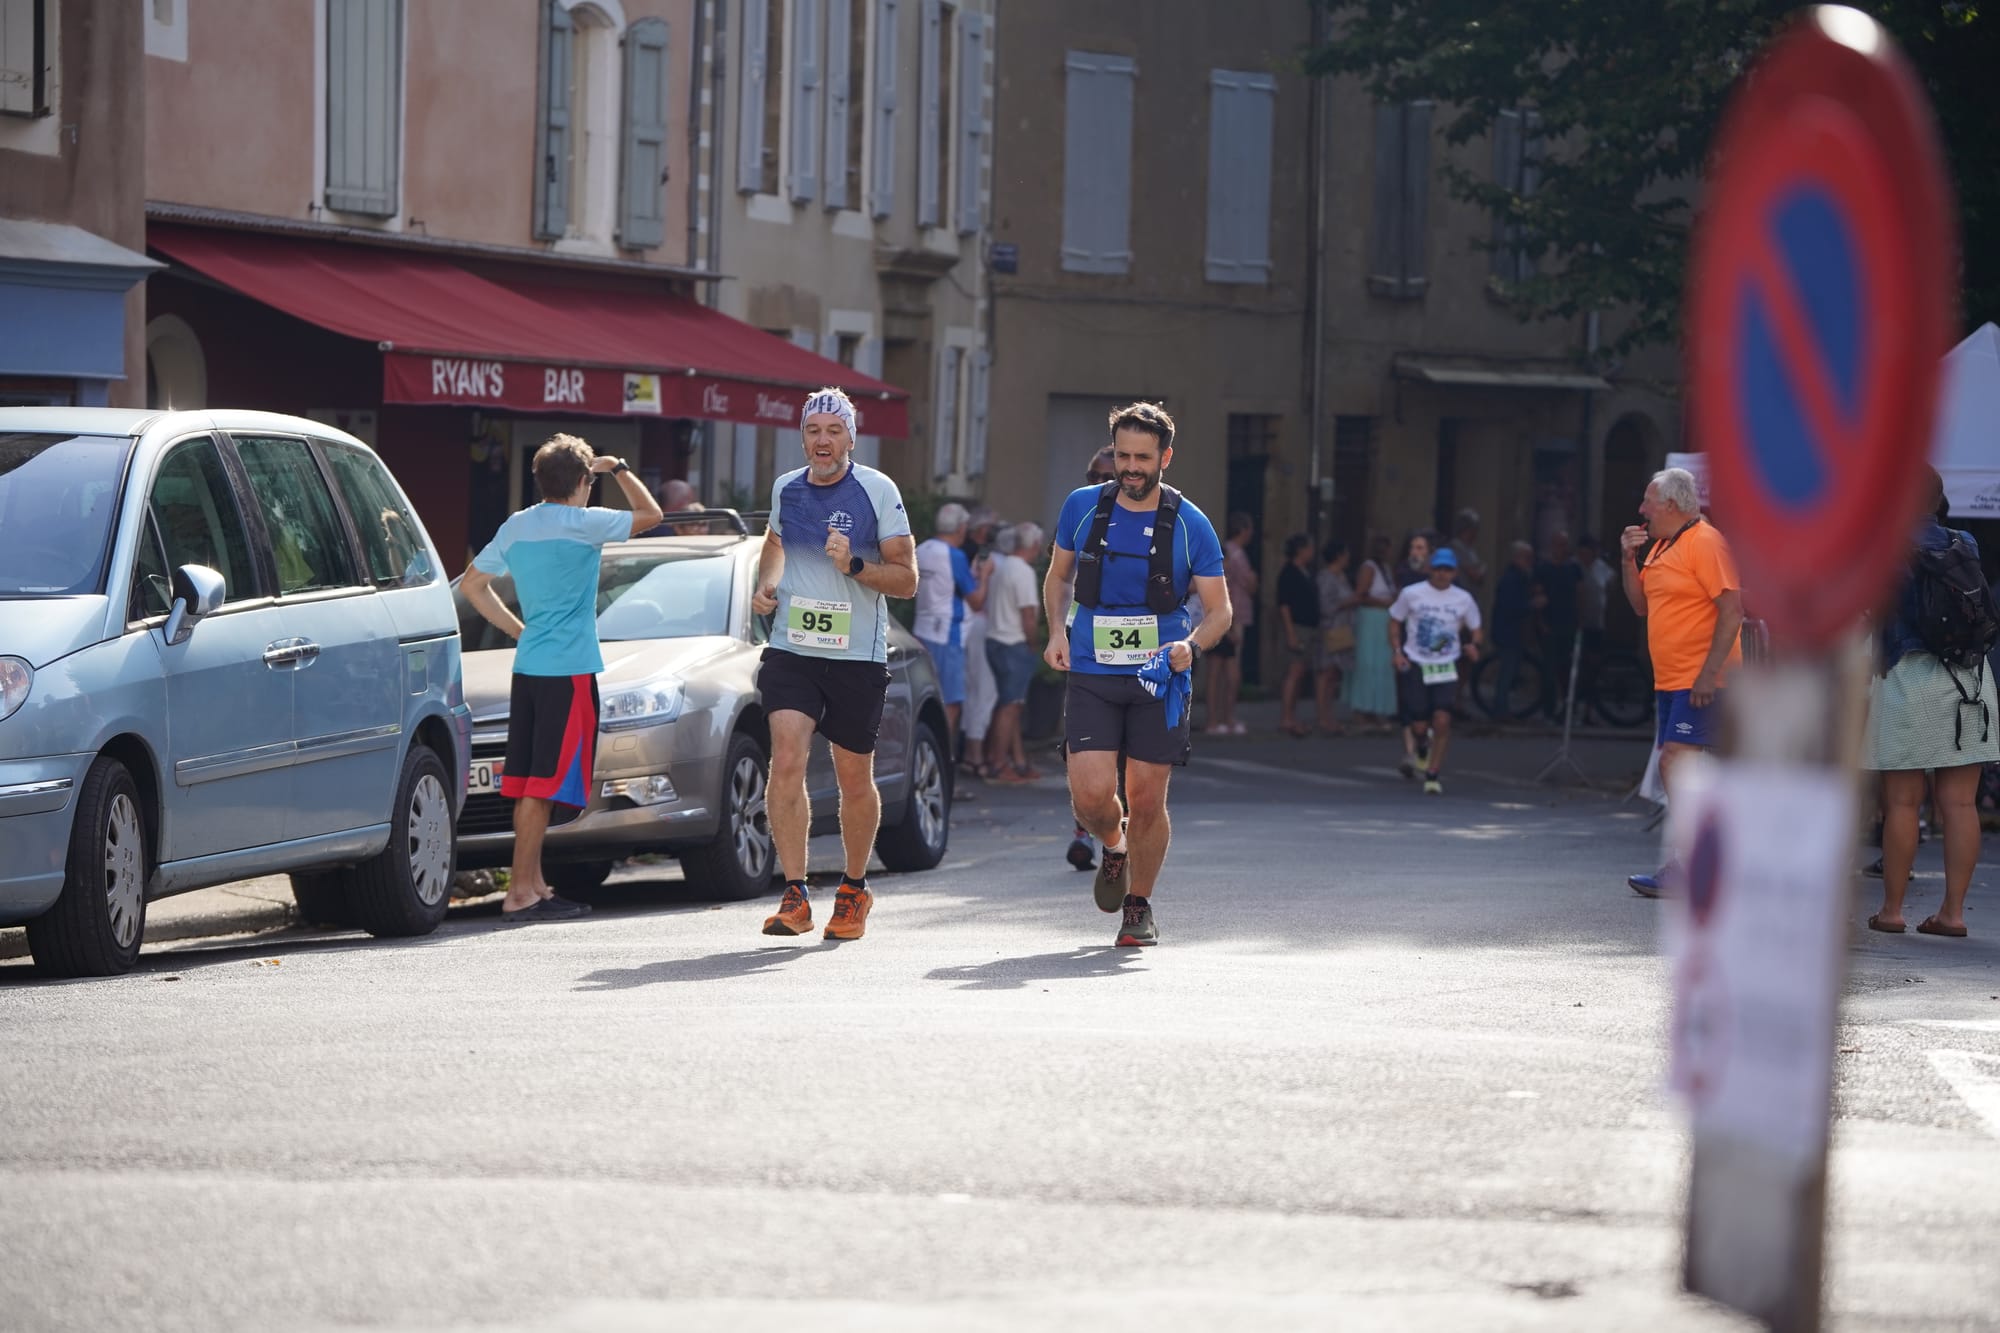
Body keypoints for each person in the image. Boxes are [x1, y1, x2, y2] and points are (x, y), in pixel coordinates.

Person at [1044, 402, 1230, 947]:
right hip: (1092, 669)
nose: (1129, 467)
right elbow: (1058, 577)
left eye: (1142, 458)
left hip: (1160, 678)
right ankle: (1114, 846)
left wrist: (1191, 647)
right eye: (1122, 455)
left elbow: (1220, 611)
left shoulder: (1191, 523)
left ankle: (1139, 905)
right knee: (1090, 795)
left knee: (1147, 797)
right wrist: (1056, 632)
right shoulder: (1081, 507)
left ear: (1164, 458)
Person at [459, 434, 665, 923]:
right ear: (582, 482)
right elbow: (652, 515)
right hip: (568, 670)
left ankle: (531, 884)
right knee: (541, 785)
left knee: (531, 781)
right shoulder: (585, 523)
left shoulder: (517, 525)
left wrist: (517, 628)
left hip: (529, 668)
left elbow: (471, 584)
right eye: (591, 481)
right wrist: (619, 469)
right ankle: (522, 894)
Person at [752, 388, 919, 941]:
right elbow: (774, 541)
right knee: (787, 760)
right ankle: (795, 893)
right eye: (813, 431)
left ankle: (853, 887)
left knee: (853, 778)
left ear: (851, 436)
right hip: (792, 649)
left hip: (856, 656)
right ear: (803, 436)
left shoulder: (877, 489)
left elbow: (907, 579)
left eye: (833, 431)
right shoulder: (787, 488)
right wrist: (767, 583)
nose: (822, 441)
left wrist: (855, 565)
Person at [1865, 466, 1997, 938]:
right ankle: (1952, 914)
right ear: (1938, 501)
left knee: (1902, 803)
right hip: (1970, 683)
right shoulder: (1967, 543)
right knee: (1960, 803)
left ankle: (1893, 911)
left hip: (1909, 677)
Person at [1620, 466, 1743, 898]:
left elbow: (1732, 610)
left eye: (1647, 501)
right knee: (1685, 767)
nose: (1641, 509)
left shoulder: (1706, 542)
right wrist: (1627, 560)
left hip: (1701, 678)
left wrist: (1710, 673)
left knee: (1675, 761)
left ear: (1670, 505)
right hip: (1670, 679)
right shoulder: (1660, 545)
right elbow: (1639, 606)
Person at [1388, 547, 1483, 794]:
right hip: (1417, 662)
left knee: (1442, 719)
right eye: (1438, 569)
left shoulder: (1463, 599)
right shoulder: (1412, 594)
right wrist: (1397, 652)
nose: (1442, 574)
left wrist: (1473, 645)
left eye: (1448, 570)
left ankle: (1433, 773)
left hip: (1446, 665)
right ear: (1431, 569)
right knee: (1419, 724)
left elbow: (1476, 628)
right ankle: (1421, 745)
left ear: (1455, 572)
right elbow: (1395, 620)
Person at [913, 502, 989, 750]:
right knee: (952, 701)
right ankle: (941, 754)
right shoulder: (954, 556)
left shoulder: (921, 549)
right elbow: (976, 601)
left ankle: (926, 751)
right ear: (961, 528)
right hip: (947, 633)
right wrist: (985, 575)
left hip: (921, 628)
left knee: (926, 696)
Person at [984, 522, 1045, 783]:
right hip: (1013, 643)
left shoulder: (1003, 565)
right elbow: (1028, 615)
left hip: (995, 640)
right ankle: (998, 764)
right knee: (1010, 706)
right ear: (1034, 545)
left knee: (1011, 704)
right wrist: (1034, 643)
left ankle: (1016, 761)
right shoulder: (1023, 571)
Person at [959, 506, 1001, 778]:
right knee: (983, 690)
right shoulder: (975, 556)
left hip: (965, 628)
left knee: (974, 690)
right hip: (973, 625)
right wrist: (984, 577)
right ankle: (973, 754)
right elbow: (976, 598)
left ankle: (969, 752)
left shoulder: (963, 552)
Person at [1207, 512, 1257, 734]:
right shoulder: (1235, 556)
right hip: (1230, 617)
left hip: (1219, 615)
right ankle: (1224, 718)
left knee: (1217, 670)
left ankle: (1216, 720)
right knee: (1227, 671)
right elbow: (1249, 585)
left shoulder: (1224, 553)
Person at [1343, 535, 1400, 723]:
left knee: (1381, 664)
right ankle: (1362, 709)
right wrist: (1383, 602)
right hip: (1370, 619)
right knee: (1368, 663)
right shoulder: (1369, 567)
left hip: (1384, 620)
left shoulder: (1386, 569)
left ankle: (1375, 708)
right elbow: (1361, 594)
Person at [1276, 533, 1322, 737]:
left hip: (1309, 626)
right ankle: (1286, 718)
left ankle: (1292, 716)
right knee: (1294, 672)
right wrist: (1291, 633)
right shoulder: (1289, 572)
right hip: (1297, 626)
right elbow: (1284, 605)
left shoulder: (1306, 572)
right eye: (1309, 548)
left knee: (1300, 672)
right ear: (1301, 550)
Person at [1488, 541, 1541, 717]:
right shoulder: (1512, 579)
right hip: (1508, 633)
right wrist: (1532, 604)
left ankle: (1502, 708)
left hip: (1512, 632)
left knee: (1509, 669)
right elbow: (1511, 607)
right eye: (1527, 557)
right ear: (1518, 558)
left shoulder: (1519, 576)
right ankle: (1500, 710)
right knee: (1507, 671)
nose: (1530, 561)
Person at [1314, 540, 1357, 735]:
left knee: (1334, 674)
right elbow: (1326, 606)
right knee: (1326, 672)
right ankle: (1323, 717)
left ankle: (1329, 716)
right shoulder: (1326, 578)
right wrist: (1348, 602)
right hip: (1330, 629)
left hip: (1343, 628)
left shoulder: (1341, 577)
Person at [1448, 509, 1489, 596]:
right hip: (1460, 594)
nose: (1475, 533)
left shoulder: (1470, 549)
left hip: (1471, 594)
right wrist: (1481, 570)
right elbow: (1475, 575)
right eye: (1473, 529)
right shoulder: (1456, 547)